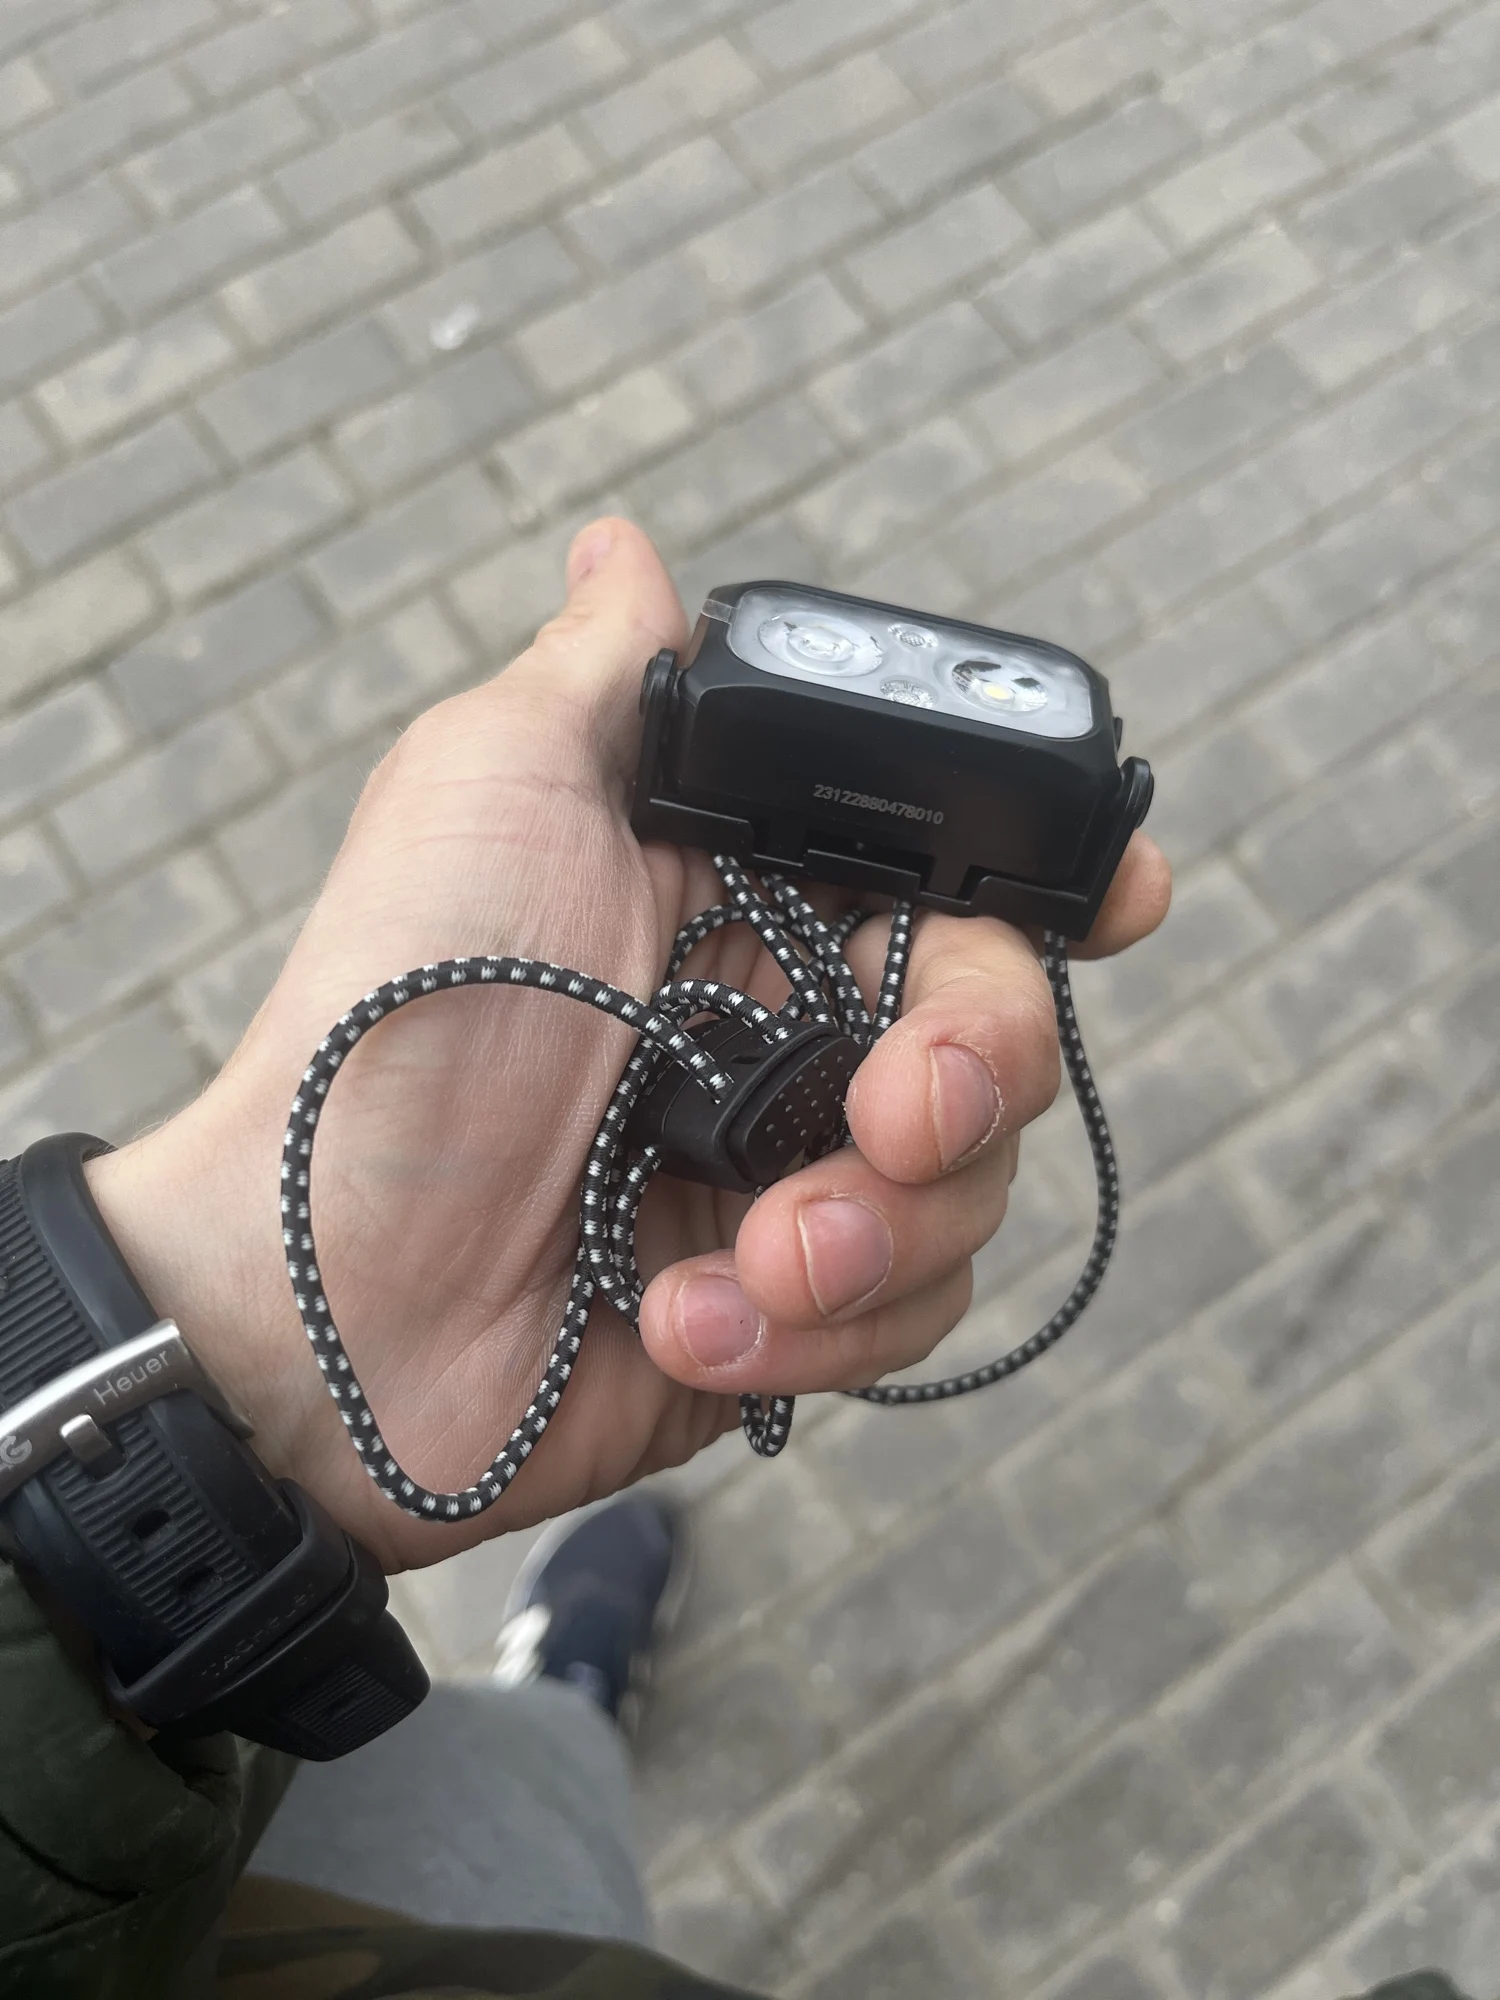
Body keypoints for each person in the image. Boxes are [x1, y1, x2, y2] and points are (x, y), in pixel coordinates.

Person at [0, 520, 1449, 2000]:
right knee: (516, 1804)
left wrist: (238, 1354)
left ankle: (561, 1703)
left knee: (503, 1779)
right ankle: (566, 1704)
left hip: (179, 1776)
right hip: (238, 1843)